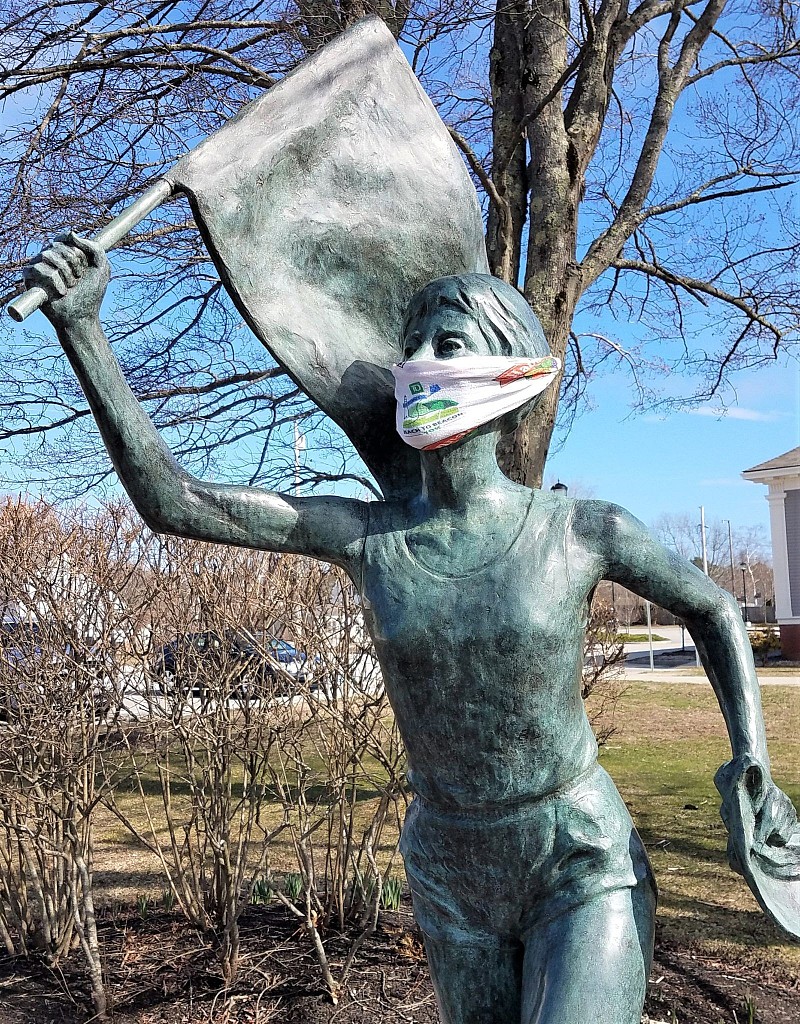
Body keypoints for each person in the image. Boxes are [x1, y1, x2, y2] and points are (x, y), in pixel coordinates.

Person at [24, 234, 798, 1024]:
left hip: (577, 853)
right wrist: (83, 329)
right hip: (449, 865)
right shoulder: (369, 538)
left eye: (447, 345)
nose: (418, 364)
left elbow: (715, 608)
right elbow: (176, 502)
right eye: (411, 347)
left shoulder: (582, 530)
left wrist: (753, 762)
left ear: (513, 374)